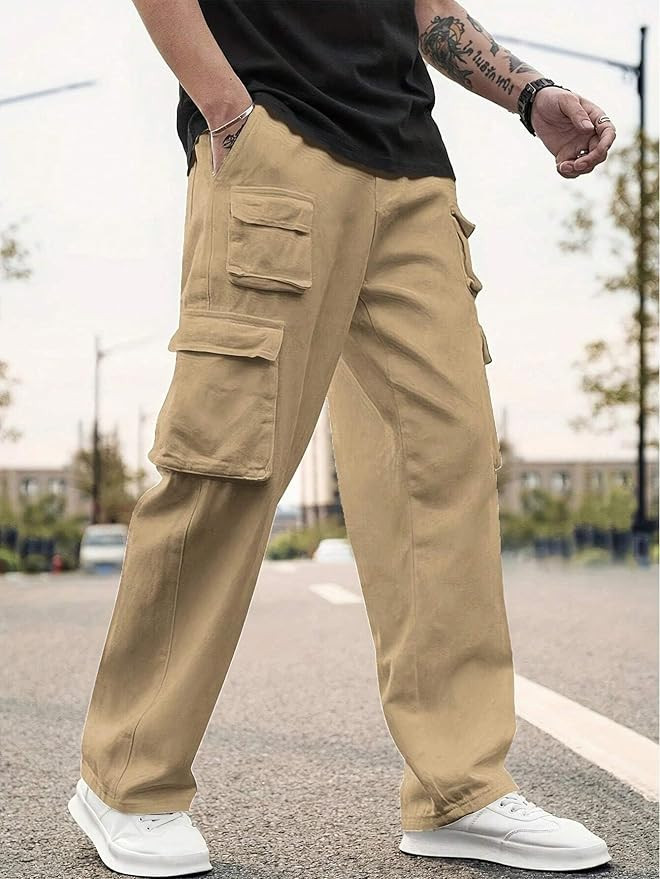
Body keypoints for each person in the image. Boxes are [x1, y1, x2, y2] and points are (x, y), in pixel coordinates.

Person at [67, 0, 617, 874]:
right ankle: (128, 778)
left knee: (443, 468)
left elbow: (428, 10)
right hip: (274, 134)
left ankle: (459, 789)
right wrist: (227, 110)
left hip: (413, 172)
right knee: (229, 457)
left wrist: (530, 95)